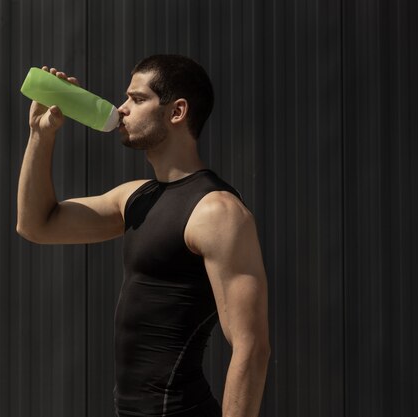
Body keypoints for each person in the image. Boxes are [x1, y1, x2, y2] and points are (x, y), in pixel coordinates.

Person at [16, 54, 270, 417]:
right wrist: (41, 135)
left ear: (177, 111)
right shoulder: (135, 198)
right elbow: (36, 225)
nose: (121, 110)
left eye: (136, 99)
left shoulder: (217, 212)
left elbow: (252, 347)